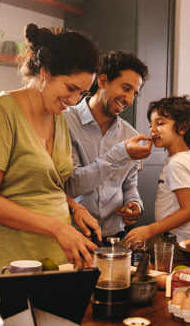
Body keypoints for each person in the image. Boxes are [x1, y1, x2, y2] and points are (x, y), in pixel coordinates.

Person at [0, 24, 102, 275]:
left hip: (54, 258)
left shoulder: (59, 117)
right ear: (45, 72)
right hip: (7, 258)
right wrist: (57, 228)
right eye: (70, 88)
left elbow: (42, 185)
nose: (74, 101)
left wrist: (75, 207)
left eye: (82, 93)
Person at [64, 50, 151, 246]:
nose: (129, 100)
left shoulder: (130, 135)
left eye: (134, 93)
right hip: (73, 237)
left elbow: (129, 185)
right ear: (102, 81)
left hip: (114, 238)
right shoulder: (64, 122)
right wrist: (120, 153)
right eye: (126, 88)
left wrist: (135, 204)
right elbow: (72, 185)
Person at [125, 95, 190, 260]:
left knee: (124, 251)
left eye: (160, 123)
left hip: (179, 241)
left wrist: (149, 230)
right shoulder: (189, 158)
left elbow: (189, 211)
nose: (152, 129)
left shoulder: (176, 164)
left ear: (183, 127)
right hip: (189, 239)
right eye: (151, 124)